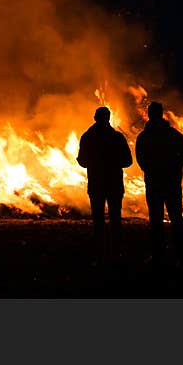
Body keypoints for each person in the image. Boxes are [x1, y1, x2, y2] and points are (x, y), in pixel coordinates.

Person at [135, 101, 183, 268]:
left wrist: (150, 170)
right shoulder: (174, 134)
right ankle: (181, 255)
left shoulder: (144, 136)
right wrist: (175, 168)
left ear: (150, 114)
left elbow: (140, 158)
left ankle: (158, 255)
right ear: (162, 114)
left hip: (154, 182)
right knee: (175, 217)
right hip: (171, 182)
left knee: (156, 219)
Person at [77, 106, 133, 264]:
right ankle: (116, 252)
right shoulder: (117, 137)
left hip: (96, 184)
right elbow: (128, 161)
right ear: (108, 118)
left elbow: (82, 161)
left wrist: (94, 164)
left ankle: (99, 251)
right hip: (114, 183)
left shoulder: (87, 137)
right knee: (115, 218)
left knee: (98, 219)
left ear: (95, 118)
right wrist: (113, 163)